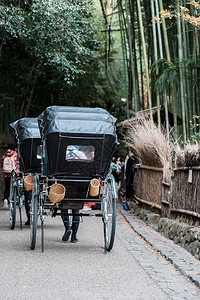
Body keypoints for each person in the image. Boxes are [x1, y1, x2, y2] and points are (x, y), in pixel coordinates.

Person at [1, 144, 18, 209]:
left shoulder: (5, 154)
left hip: (6, 173)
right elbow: (17, 164)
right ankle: (14, 199)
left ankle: (5, 199)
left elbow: (2, 163)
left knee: (7, 187)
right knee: (15, 186)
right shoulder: (15, 154)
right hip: (13, 173)